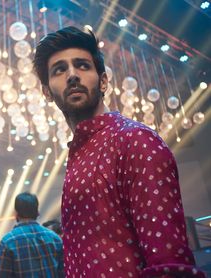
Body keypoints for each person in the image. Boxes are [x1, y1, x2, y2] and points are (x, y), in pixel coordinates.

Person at [33, 26, 206, 277]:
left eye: (82, 65)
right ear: (47, 91)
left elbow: (168, 264)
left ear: (103, 81)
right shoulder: (80, 152)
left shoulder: (134, 140)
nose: (72, 75)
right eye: (59, 70)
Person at [0, 192, 64, 277]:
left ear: (16, 213)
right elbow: (63, 274)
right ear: (37, 212)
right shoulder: (55, 238)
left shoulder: (8, 242)